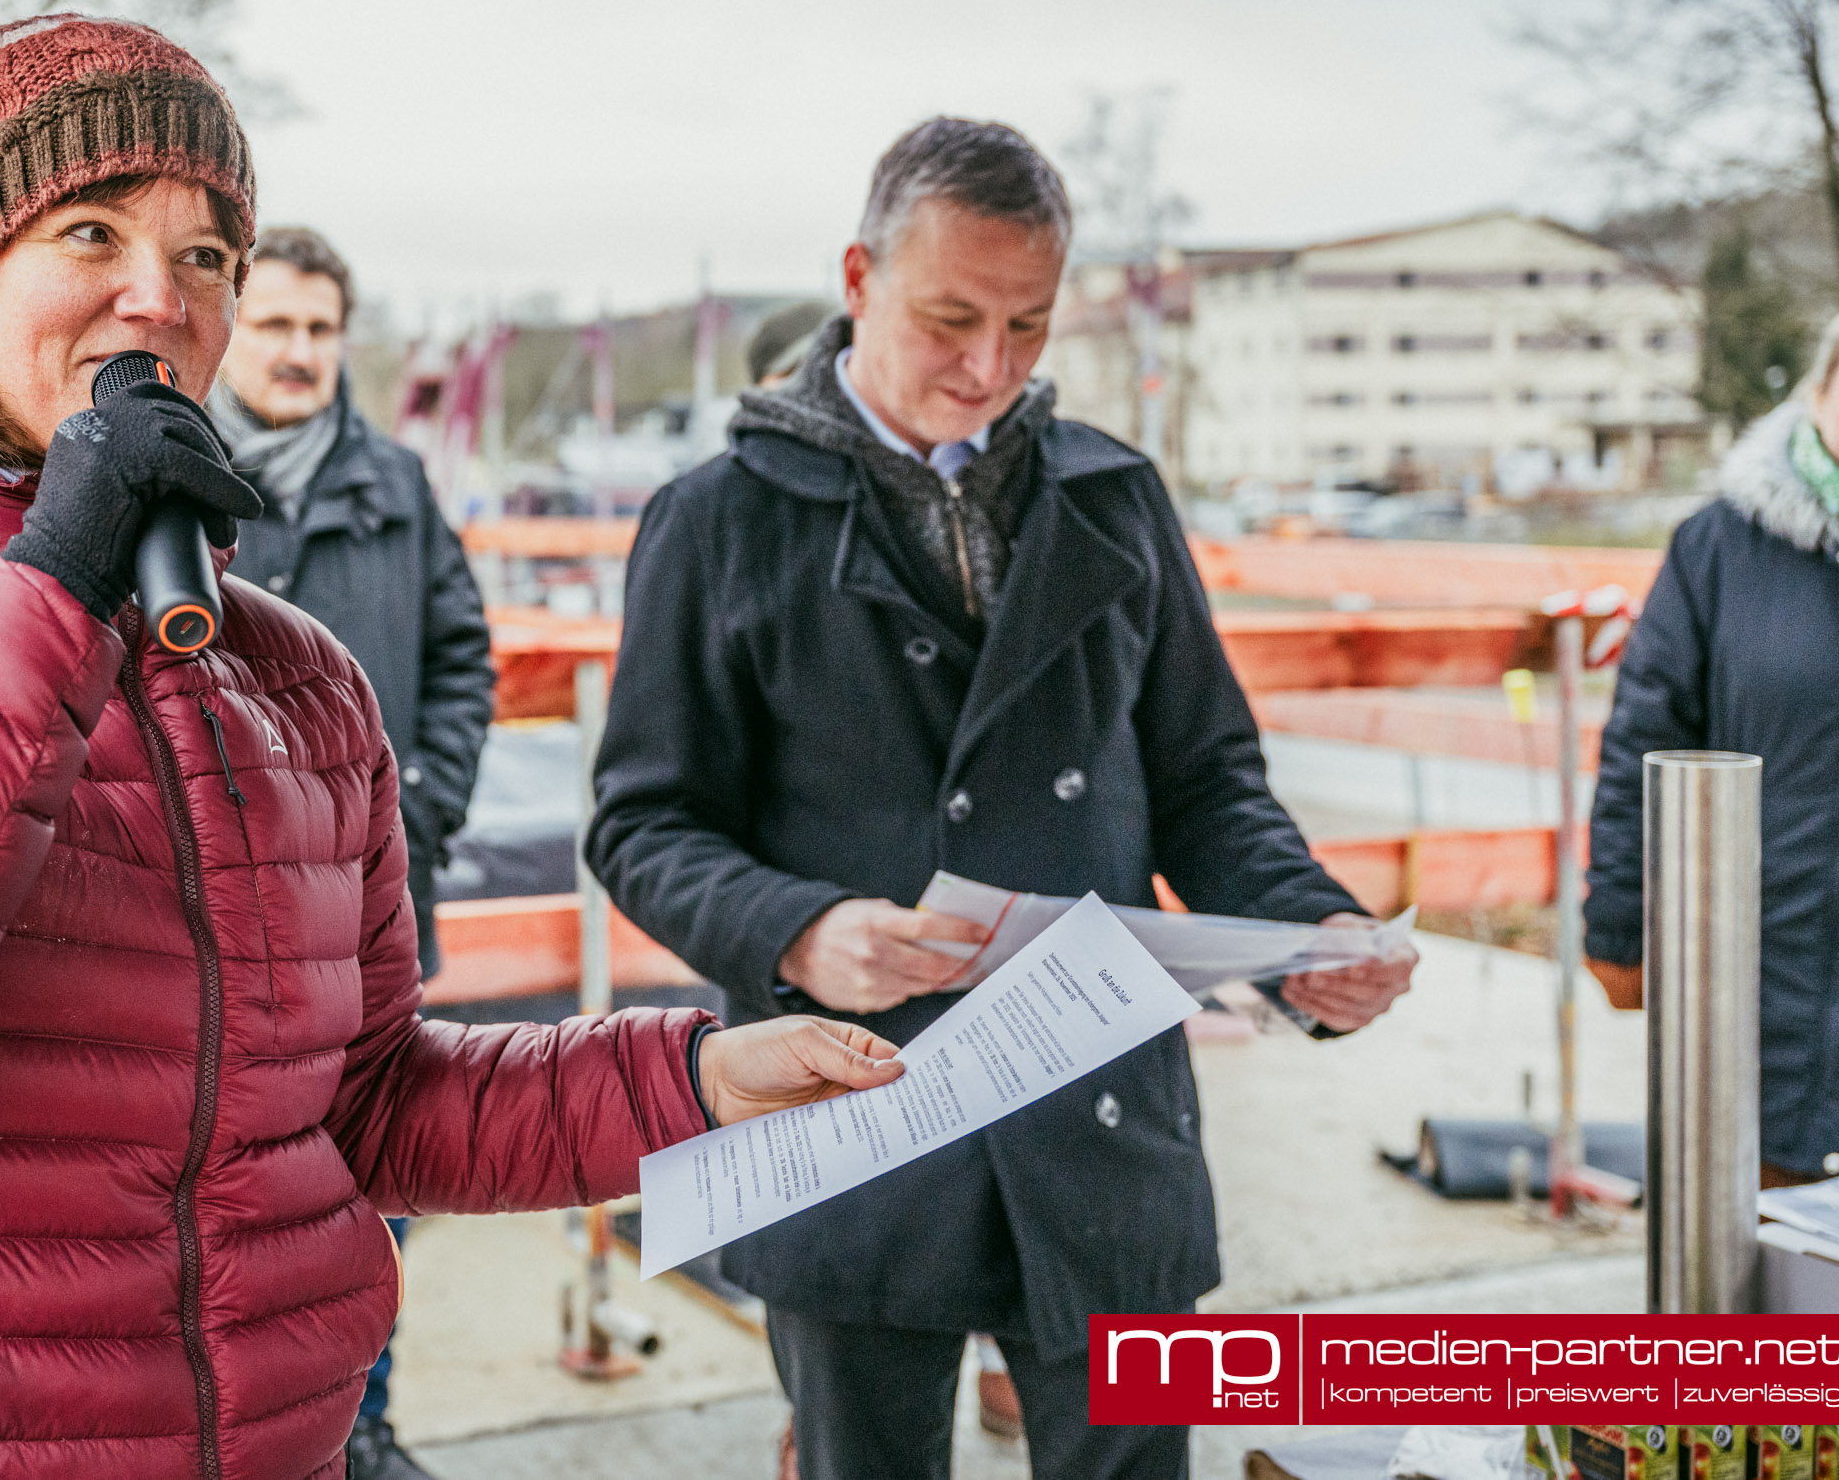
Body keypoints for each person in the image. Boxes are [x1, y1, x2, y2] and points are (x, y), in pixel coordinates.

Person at [0, 14, 907, 1480]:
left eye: (206, 253)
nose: (159, 296)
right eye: (91, 231)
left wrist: (696, 1083)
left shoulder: (293, 674)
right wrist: (48, 583)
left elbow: (372, 1105)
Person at [586, 116, 1417, 1480]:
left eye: (1029, 325)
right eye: (950, 319)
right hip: (848, 1117)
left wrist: (1306, 927)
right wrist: (800, 929)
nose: (990, 367)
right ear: (858, 278)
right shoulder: (717, 516)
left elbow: (1207, 779)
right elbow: (643, 822)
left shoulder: (1117, 495)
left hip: (1102, 1116)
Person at [208, 226, 489, 1480]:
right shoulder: (165, 475)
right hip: (213, 913)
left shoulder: (396, 483)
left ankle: (359, 1423)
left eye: (320, 328)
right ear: (231, 326)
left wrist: (417, 809)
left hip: (375, 904)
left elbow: (461, 657)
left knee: (377, 1167)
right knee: (225, 1191)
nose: (300, 350)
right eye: (275, 324)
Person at [1586, 299, 1839, 1187]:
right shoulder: (1718, 549)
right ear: (1817, 395)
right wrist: (1617, 925)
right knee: (1758, 1235)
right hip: (1764, 979)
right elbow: (1643, 741)